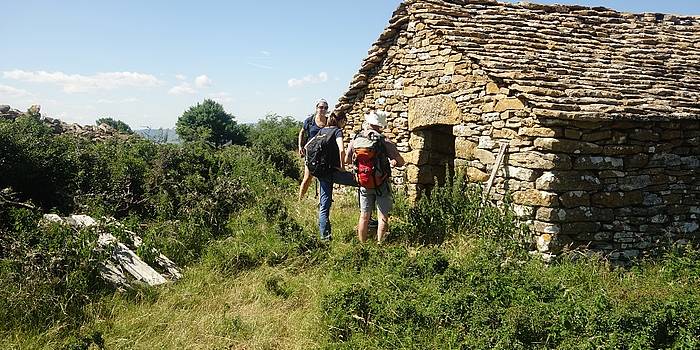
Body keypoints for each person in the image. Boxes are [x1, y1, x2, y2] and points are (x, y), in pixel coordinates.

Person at [345, 111, 404, 244]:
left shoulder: (356, 138)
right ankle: (380, 245)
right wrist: (394, 161)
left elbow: (347, 160)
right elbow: (400, 161)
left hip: (363, 183)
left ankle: (362, 244)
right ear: (380, 125)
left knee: (364, 216)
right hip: (381, 183)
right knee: (382, 215)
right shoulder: (383, 141)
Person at [300, 112, 355, 240]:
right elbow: (341, 149)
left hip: (322, 172)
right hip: (333, 171)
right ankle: (368, 220)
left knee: (324, 207)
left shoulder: (322, 130)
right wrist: (342, 167)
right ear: (341, 121)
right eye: (344, 121)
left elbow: (307, 146)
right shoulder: (337, 131)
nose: (345, 124)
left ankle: (325, 238)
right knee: (361, 182)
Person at [297, 99, 329, 200]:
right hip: (311, 154)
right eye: (321, 107)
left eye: (325, 108)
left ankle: (322, 200)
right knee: (307, 177)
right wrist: (300, 146)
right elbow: (302, 132)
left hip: (324, 153)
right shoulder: (310, 121)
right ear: (316, 108)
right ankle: (300, 200)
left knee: (324, 178)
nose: (323, 109)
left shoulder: (329, 121)